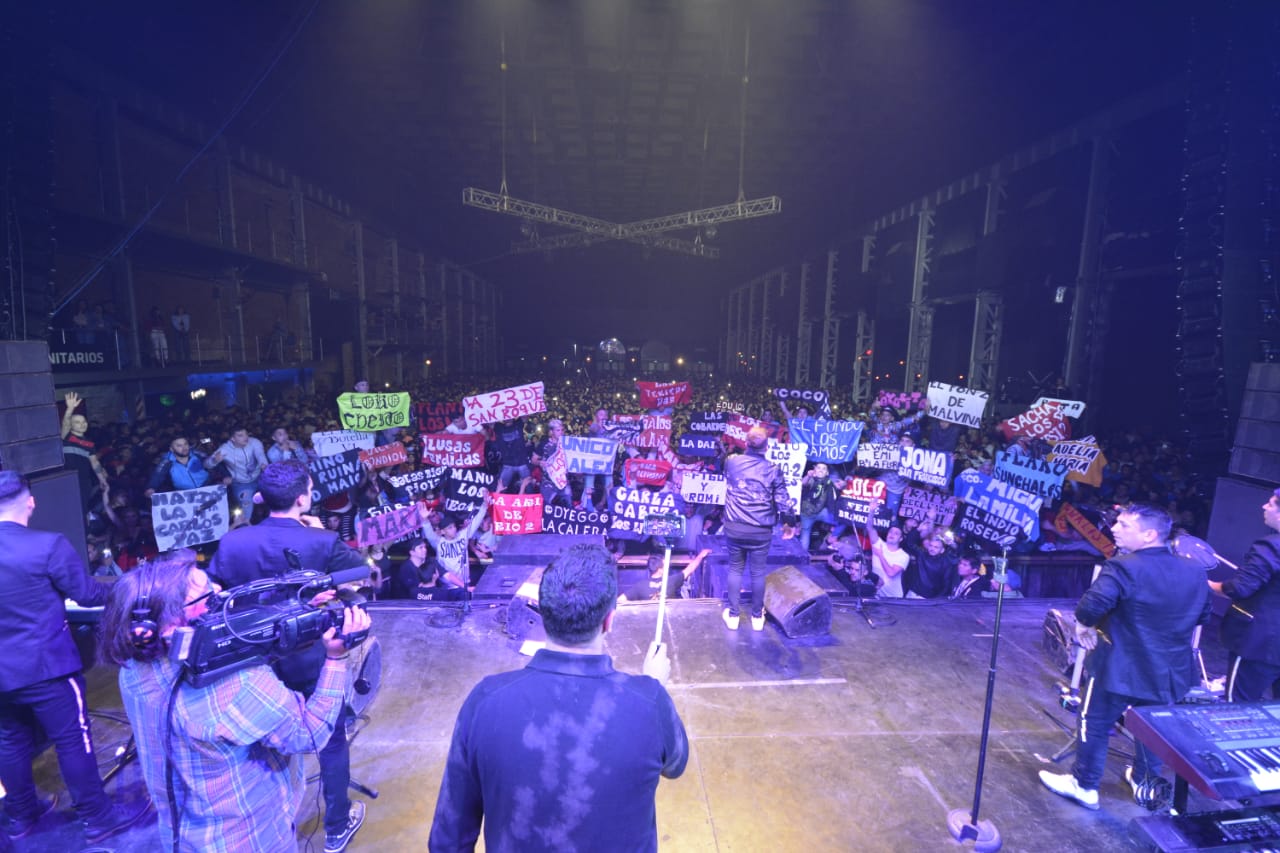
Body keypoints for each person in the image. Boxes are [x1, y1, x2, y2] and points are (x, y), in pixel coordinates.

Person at [102, 551, 371, 852]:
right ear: (170, 626)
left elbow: (223, 644)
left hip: (183, 834)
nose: (218, 593)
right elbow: (310, 733)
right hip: (253, 836)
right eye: (206, 596)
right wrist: (336, 658)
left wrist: (299, 611)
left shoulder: (134, 669)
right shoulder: (239, 686)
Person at [428, 543, 687, 851]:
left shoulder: (484, 701)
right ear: (609, 619)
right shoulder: (649, 703)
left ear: (543, 611)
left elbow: (448, 841)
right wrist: (653, 688)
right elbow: (675, 764)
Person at [207, 460, 369, 853]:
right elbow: (362, 574)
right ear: (303, 498)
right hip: (309, 656)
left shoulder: (233, 542)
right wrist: (316, 537)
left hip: (250, 662)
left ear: (261, 498)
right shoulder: (321, 541)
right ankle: (335, 826)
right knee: (330, 739)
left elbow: (215, 592)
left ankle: (274, 819)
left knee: (259, 740)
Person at [0, 471, 149, 843]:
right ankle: (98, 817)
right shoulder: (47, 545)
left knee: (9, 741)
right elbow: (85, 595)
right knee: (72, 739)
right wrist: (128, 588)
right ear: (31, 501)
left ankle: (21, 816)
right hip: (46, 666)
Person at [1039, 503, 1210, 810]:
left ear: (1149, 534)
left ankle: (1084, 784)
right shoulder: (1195, 570)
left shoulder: (1124, 566)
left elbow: (1091, 605)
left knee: (1094, 720)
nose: (1114, 528)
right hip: (1169, 669)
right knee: (1153, 728)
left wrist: (1084, 626)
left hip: (1119, 665)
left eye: (1124, 524)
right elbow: (1204, 615)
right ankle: (1144, 782)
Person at [721, 425, 796, 631]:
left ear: (746, 442)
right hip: (760, 531)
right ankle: (756, 618)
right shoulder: (773, 469)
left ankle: (734, 616)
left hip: (735, 526)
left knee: (735, 568)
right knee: (757, 572)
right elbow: (783, 500)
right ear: (767, 446)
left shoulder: (731, 462)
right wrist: (790, 523)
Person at [1210, 488, 1280, 702]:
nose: (1264, 507)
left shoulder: (1271, 545)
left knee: (1238, 707)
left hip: (1260, 641)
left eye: (1271, 503)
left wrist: (1207, 585)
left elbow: (1241, 588)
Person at [60, 391, 109, 515]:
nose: (82, 424)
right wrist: (70, 409)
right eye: (77, 422)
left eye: (84, 422)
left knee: (83, 508)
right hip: (68, 479)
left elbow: (94, 462)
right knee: (70, 507)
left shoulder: (89, 443)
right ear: (71, 425)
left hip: (84, 480)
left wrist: (102, 480)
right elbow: (65, 423)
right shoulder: (67, 437)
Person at [212, 427, 268, 513]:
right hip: (241, 484)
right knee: (247, 510)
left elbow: (260, 454)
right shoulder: (225, 449)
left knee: (273, 500)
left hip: (260, 478)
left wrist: (264, 464)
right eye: (240, 435)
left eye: (246, 434)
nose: (245, 437)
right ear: (232, 438)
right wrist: (214, 461)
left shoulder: (254, 442)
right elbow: (206, 464)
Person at [864, 498, 909, 599]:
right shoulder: (879, 544)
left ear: (901, 539)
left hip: (893, 597)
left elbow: (891, 573)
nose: (892, 534)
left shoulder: (903, 556)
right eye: (891, 532)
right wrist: (871, 511)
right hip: (876, 594)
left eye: (896, 533)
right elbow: (869, 528)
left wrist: (880, 555)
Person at [145, 436, 212, 496]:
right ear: (172, 449)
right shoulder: (167, 461)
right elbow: (157, 475)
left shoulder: (197, 454)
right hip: (185, 494)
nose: (184, 447)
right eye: (179, 446)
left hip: (208, 487)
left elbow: (212, 463)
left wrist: (220, 478)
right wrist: (151, 488)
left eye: (185, 444)